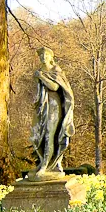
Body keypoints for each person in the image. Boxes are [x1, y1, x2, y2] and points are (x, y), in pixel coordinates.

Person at [29, 47, 75, 180]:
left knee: (50, 135)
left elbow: (54, 87)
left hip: (54, 106)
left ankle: (45, 166)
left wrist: (41, 77)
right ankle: (45, 162)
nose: (43, 57)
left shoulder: (55, 70)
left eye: (46, 55)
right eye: (41, 55)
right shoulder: (40, 71)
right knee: (37, 136)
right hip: (42, 107)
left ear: (51, 57)